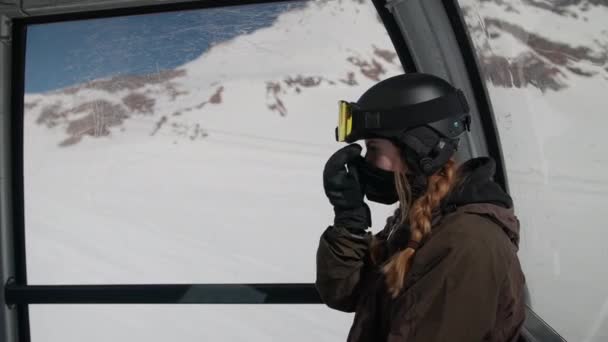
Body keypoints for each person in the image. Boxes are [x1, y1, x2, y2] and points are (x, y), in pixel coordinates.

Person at [316, 73, 526, 341]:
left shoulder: (466, 244)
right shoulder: (419, 220)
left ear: (420, 148)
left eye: (373, 148)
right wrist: (350, 220)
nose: (365, 162)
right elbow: (346, 293)